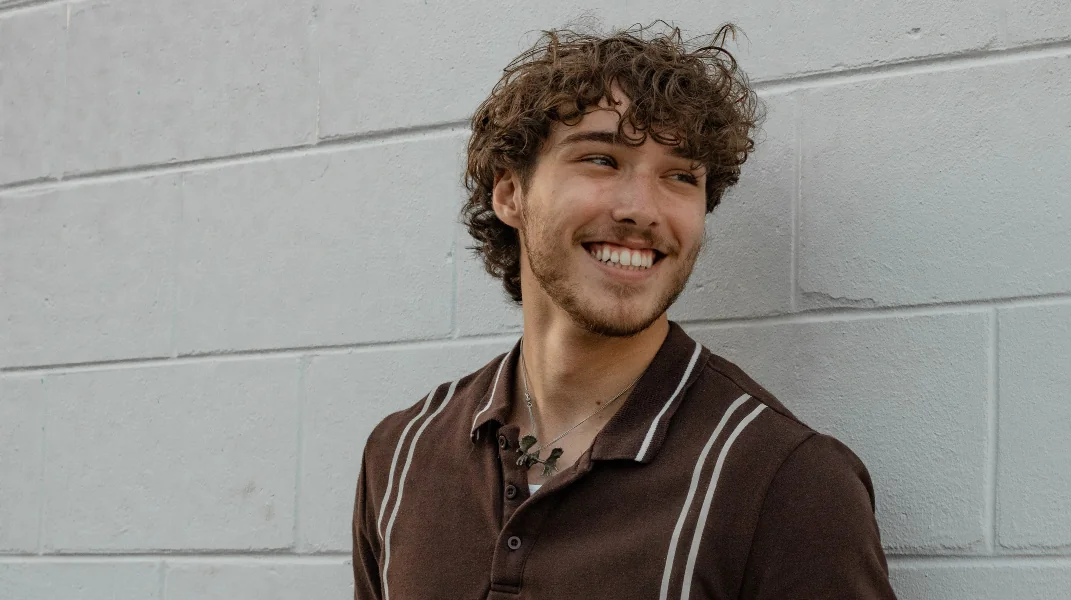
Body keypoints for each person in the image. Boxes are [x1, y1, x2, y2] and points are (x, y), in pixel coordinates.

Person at [352, 24, 897, 600]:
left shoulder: (783, 481)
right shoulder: (401, 452)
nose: (642, 209)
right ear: (510, 192)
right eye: (601, 159)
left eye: (681, 176)